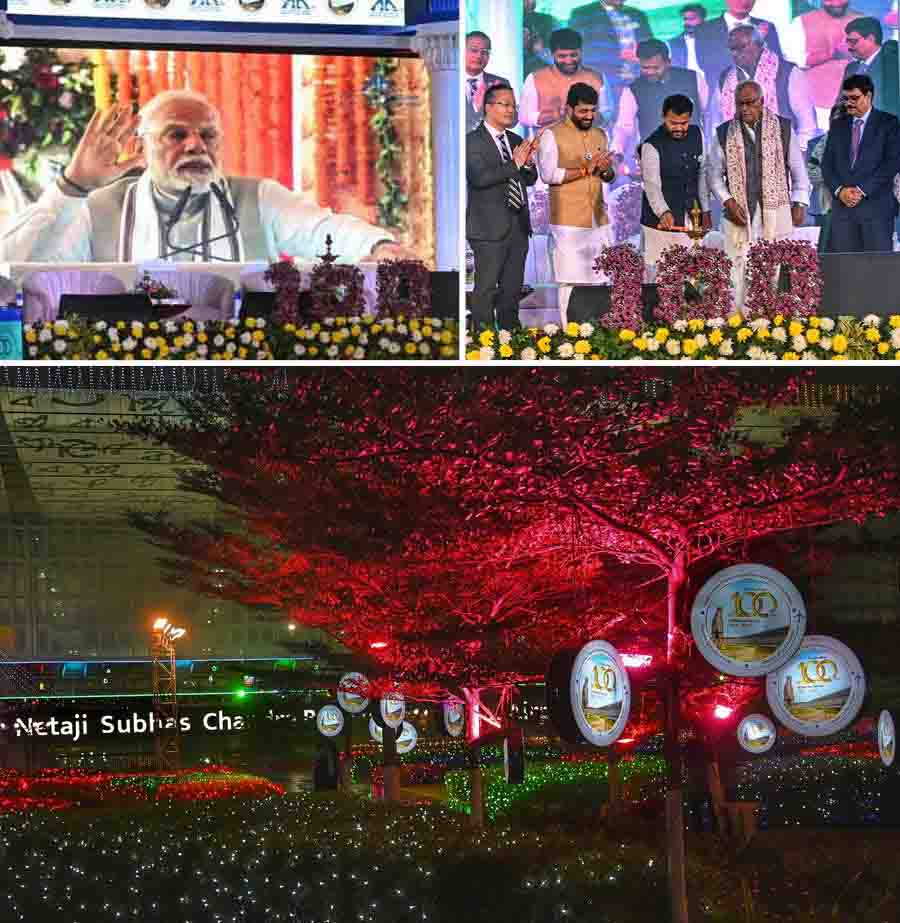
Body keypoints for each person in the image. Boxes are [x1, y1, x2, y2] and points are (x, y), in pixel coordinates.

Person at [0, 90, 410, 265]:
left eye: (208, 135)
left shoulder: (256, 198)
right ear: (141, 147)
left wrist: (378, 244)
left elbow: (323, 229)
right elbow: (18, 270)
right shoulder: (99, 208)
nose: (196, 145)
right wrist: (71, 188)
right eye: (177, 134)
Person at [709, 80, 811, 306]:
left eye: (750, 103)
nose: (744, 109)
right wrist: (728, 202)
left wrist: (800, 202)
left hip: (775, 213)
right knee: (736, 275)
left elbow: (798, 170)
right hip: (739, 215)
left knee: (773, 271)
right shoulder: (724, 132)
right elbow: (714, 175)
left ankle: (768, 327)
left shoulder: (783, 128)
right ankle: (737, 326)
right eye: (740, 104)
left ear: (762, 101)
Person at [536, 82, 617, 325]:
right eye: (583, 111)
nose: (589, 116)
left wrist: (605, 171)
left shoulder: (600, 134)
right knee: (570, 278)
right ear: (568, 108)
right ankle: (569, 335)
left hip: (598, 217)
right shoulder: (551, 134)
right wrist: (585, 169)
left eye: (592, 110)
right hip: (568, 220)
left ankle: (598, 331)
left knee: (601, 276)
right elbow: (548, 175)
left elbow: (607, 175)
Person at [466, 84, 539, 331]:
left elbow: (529, 179)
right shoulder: (473, 141)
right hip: (488, 229)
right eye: (505, 104)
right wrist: (516, 163)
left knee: (512, 289)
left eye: (513, 106)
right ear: (488, 107)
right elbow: (480, 178)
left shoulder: (516, 139)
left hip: (518, 226)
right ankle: (483, 343)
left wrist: (528, 165)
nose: (511, 110)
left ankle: (511, 339)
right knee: (485, 289)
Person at [823, 73, 900, 251]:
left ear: (868, 96)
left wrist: (861, 190)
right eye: (846, 98)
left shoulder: (888, 123)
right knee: (846, 273)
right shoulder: (838, 125)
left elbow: (892, 163)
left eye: (854, 98)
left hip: (877, 212)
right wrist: (839, 190)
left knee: (877, 271)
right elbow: (827, 165)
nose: (849, 103)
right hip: (843, 213)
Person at [639, 93, 712, 275]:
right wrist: (662, 211)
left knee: (693, 275)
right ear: (664, 117)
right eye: (673, 123)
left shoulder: (697, 134)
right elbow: (652, 185)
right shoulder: (651, 145)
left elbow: (702, 172)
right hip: (661, 224)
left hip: (691, 216)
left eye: (684, 123)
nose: (679, 128)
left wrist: (706, 210)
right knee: (663, 275)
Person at [716, 25, 817, 151]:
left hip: (784, 156)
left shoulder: (787, 72)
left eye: (741, 47)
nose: (735, 53)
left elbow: (807, 124)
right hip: (741, 159)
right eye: (732, 49)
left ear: (759, 45)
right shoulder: (726, 78)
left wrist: (797, 156)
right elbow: (717, 121)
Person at [612, 38, 708, 164]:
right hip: (656, 161)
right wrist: (616, 153)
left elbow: (708, 115)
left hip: (694, 156)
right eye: (645, 68)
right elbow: (624, 128)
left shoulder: (694, 79)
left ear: (668, 62)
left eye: (656, 68)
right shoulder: (632, 90)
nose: (650, 72)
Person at [520, 29, 614, 131]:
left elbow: (607, 113)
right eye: (562, 56)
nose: (568, 61)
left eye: (573, 55)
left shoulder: (597, 78)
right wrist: (554, 115)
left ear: (581, 52)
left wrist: (585, 114)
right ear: (552, 54)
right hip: (546, 144)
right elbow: (524, 117)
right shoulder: (535, 78)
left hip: (589, 143)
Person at [793, 0, 863, 128]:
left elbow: (876, 60)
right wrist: (831, 53)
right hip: (816, 106)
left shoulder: (865, 21)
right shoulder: (801, 22)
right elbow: (794, 61)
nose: (836, 3)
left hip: (858, 103)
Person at [568, 0, 653, 105]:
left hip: (637, 81)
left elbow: (651, 47)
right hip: (603, 83)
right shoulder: (582, 14)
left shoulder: (638, 15)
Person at [693, 0, 782, 96]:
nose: (744, 1)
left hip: (764, 95)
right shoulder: (704, 30)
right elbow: (705, 64)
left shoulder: (767, 27)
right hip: (722, 97)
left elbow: (777, 62)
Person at [840, 17, 900, 118]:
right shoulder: (851, 68)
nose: (849, 47)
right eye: (848, 41)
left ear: (871, 39)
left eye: (853, 41)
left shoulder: (892, 62)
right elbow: (840, 104)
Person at [806, 104, 845, 251]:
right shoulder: (814, 144)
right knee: (824, 250)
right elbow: (812, 174)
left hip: (851, 206)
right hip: (823, 205)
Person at [465, 31, 509, 134]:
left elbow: (513, 121)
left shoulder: (500, 83)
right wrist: (477, 107)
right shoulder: (451, 82)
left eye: (484, 52)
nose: (479, 56)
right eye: (474, 50)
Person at [669, 4, 708, 74]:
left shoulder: (714, 39)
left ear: (703, 19)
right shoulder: (673, 44)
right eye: (685, 19)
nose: (687, 22)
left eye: (691, 19)